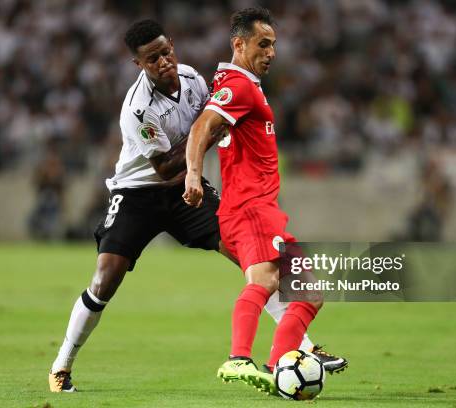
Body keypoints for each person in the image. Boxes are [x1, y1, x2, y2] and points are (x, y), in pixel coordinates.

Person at [48, 19, 324, 393]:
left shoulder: (194, 79)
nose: (163, 62)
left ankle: (300, 350)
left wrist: (215, 134)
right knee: (105, 279)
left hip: (185, 193)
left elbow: (217, 119)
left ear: (173, 46)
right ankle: (62, 363)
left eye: (166, 52)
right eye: (152, 59)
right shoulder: (137, 108)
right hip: (139, 193)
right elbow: (164, 166)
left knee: (252, 258)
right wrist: (209, 137)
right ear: (139, 66)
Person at [184, 7, 346, 395]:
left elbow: (212, 130)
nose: (272, 52)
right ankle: (238, 358)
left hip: (263, 208)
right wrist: (192, 172)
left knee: (309, 294)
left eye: (273, 44)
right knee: (266, 280)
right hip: (250, 207)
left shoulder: (244, 84)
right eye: (263, 43)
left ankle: (279, 364)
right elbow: (202, 126)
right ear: (239, 44)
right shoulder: (237, 85)